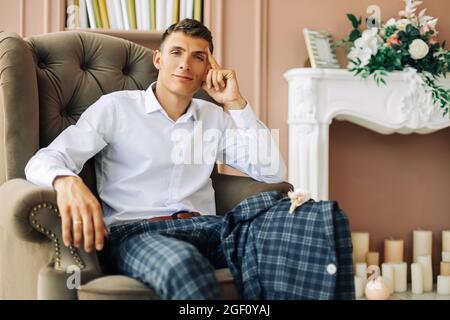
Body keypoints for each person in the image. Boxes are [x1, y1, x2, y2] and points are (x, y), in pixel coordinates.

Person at [25, 19, 286, 299]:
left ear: (207, 69)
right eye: (176, 52)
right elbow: (45, 159)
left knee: (299, 237)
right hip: (138, 233)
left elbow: (272, 171)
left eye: (198, 57)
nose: (186, 64)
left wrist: (235, 103)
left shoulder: (213, 118)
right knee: (182, 263)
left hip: (210, 229)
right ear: (158, 59)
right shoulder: (117, 108)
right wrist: (67, 182)